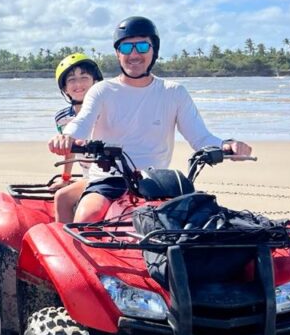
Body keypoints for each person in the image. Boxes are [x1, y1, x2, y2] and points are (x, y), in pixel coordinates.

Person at [49, 16, 253, 223]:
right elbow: (82, 123)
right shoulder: (102, 90)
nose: (134, 54)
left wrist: (227, 145)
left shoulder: (174, 92)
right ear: (118, 53)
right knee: (87, 216)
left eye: (142, 46)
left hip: (158, 182)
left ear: (154, 50)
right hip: (108, 179)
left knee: (196, 224)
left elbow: (200, 137)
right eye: (127, 48)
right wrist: (66, 138)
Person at [50, 53, 103, 223]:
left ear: (95, 82)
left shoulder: (110, 110)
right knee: (61, 197)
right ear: (64, 88)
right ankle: (65, 244)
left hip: (109, 174)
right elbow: (69, 149)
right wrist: (65, 178)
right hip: (89, 176)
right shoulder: (63, 118)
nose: (78, 84)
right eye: (71, 79)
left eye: (84, 77)